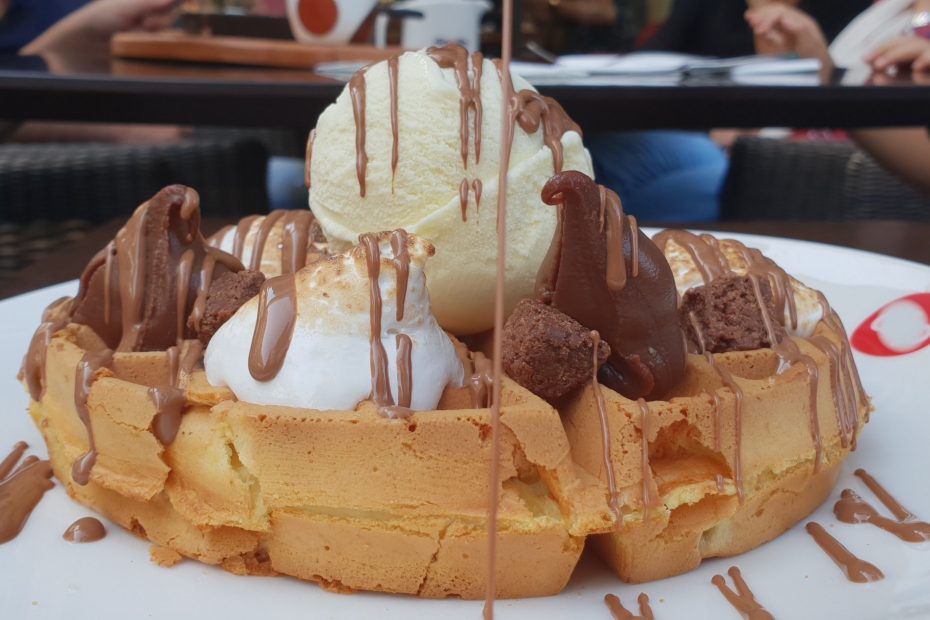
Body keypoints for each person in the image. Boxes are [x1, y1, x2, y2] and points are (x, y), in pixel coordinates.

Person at [746, 1, 930, 195]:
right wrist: (816, 73)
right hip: (792, 180)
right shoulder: (888, 10)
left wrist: (829, 85)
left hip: (850, 193)